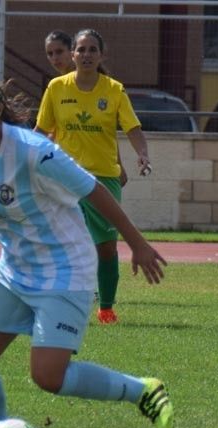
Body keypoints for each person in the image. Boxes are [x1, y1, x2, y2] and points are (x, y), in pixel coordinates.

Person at [0, 67, 173, 428]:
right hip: (14, 268)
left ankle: (143, 390)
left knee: (48, 376)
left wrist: (137, 243)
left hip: (64, 270)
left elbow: (94, 189)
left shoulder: (36, 152)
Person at [36, 29, 151, 324]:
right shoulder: (56, 88)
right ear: (72, 54)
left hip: (104, 180)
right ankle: (59, 301)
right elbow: (41, 131)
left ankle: (106, 308)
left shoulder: (114, 90)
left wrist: (142, 153)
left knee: (106, 246)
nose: (86, 55)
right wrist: (26, 159)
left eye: (92, 50)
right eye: (81, 50)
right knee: (63, 244)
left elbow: (132, 128)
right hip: (64, 177)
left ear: (101, 55)